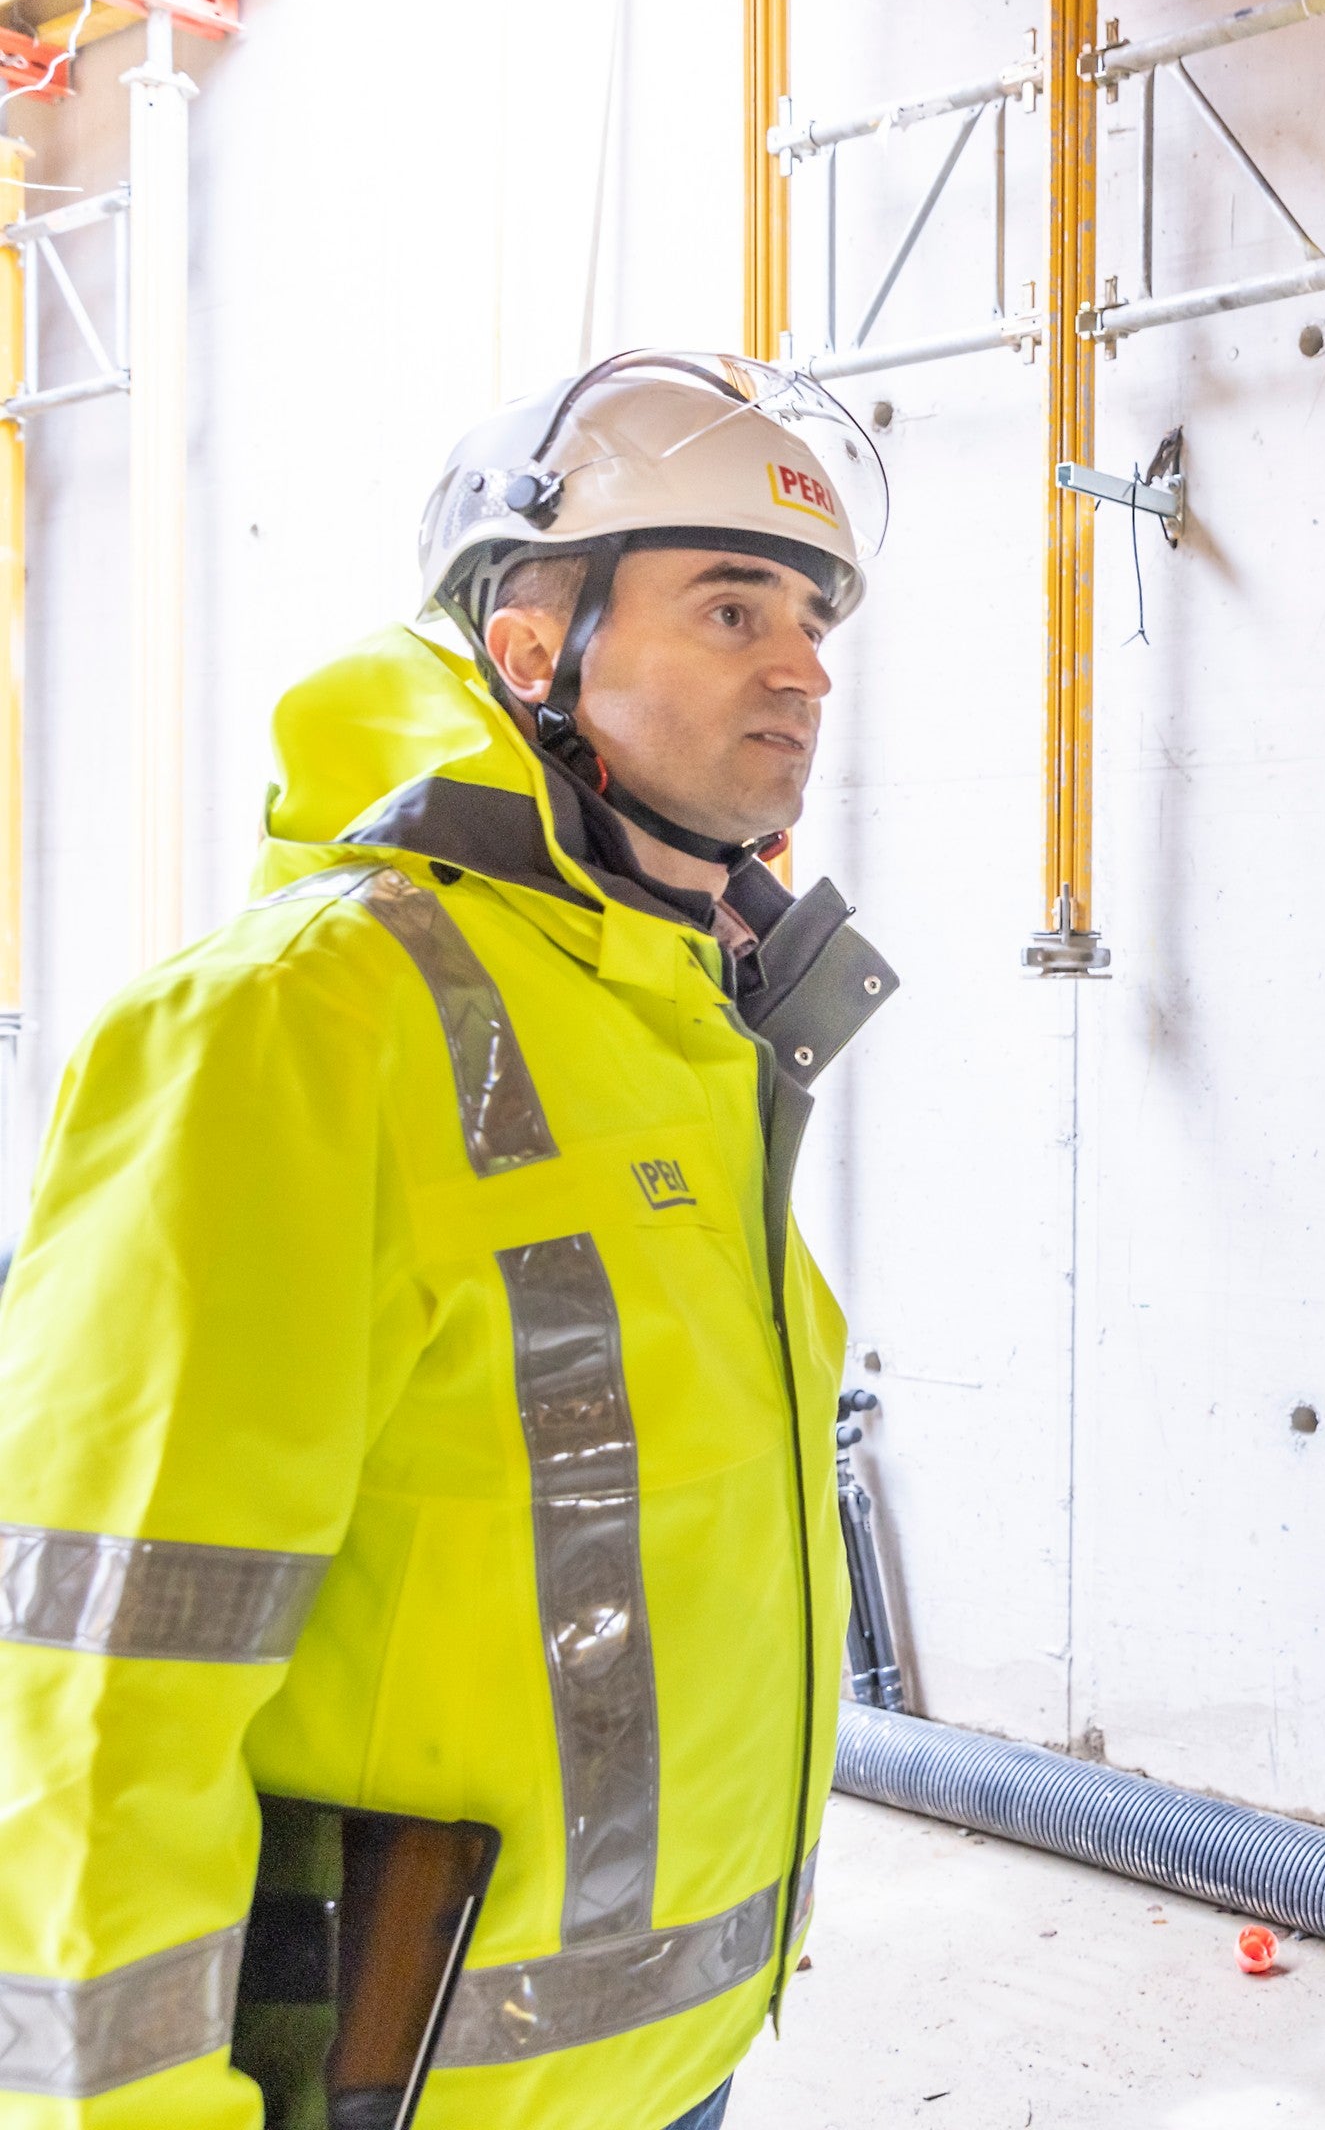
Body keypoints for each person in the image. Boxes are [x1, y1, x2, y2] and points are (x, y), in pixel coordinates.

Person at [0, 351, 901, 2130]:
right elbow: (103, 1659)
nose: (799, 665)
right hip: (411, 2089)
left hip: (666, 2067)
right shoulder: (300, 1019)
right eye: (731, 604)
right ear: (525, 643)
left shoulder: (682, 1021)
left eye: (810, 615)